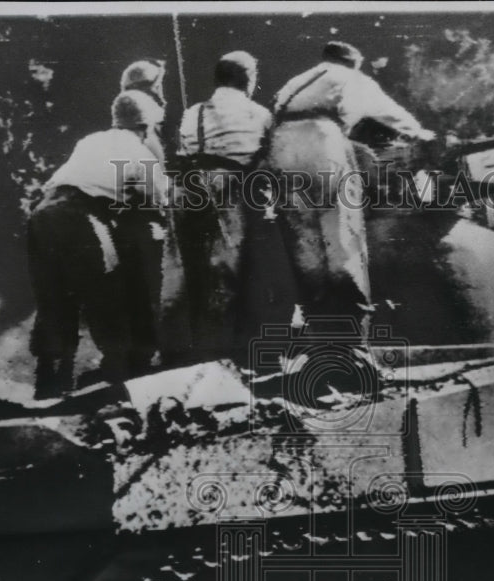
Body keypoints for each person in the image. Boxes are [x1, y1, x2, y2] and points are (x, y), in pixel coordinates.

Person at [267, 41, 434, 331]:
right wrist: (421, 133)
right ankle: (351, 313)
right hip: (320, 140)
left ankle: (315, 309)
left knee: (302, 230)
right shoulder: (352, 79)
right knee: (340, 222)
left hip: (281, 145)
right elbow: (391, 113)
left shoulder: (295, 82)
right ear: (353, 62)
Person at [27, 90, 173, 398]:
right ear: (145, 127)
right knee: (107, 294)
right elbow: (161, 201)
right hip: (80, 217)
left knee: (54, 298)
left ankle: (49, 383)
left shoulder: (90, 140)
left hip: (43, 214)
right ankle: (119, 380)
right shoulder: (139, 151)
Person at [174, 51, 272, 363]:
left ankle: (202, 349)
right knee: (232, 272)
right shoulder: (259, 114)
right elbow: (268, 157)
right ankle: (227, 355)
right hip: (234, 192)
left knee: (198, 272)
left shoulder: (194, 113)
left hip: (193, 191)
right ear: (247, 79)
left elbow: (185, 149)